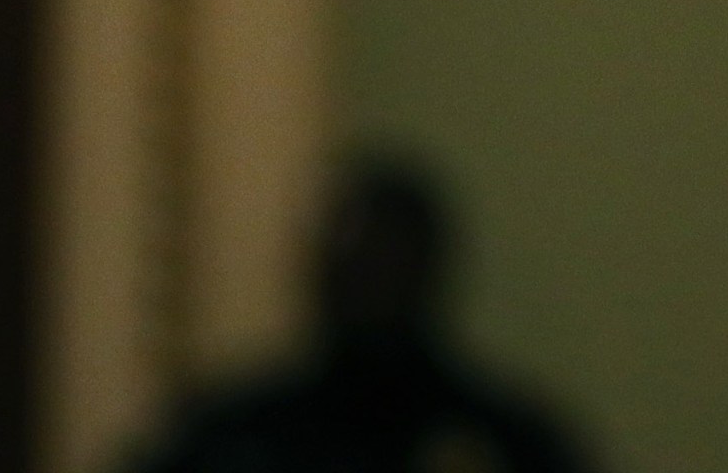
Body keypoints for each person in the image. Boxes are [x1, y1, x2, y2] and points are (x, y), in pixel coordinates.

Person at [129, 156, 593, 473]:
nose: (366, 284)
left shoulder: (506, 444)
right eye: (351, 264)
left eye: (384, 262)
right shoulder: (234, 441)